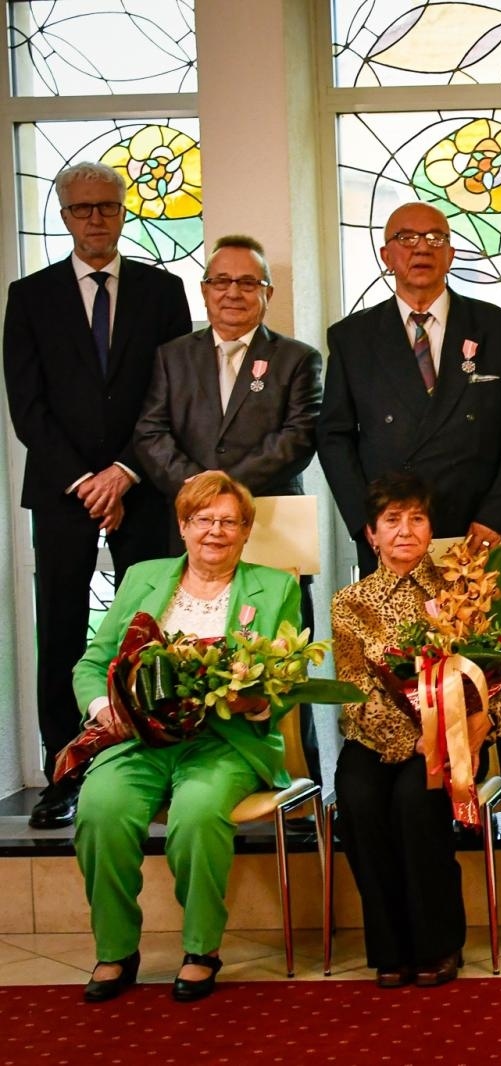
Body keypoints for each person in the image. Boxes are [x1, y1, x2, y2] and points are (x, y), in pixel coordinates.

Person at [3, 160, 191, 829]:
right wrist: (85, 481)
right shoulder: (29, 297)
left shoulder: (163, 291)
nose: (96, 219)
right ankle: (66, 770)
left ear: (123, 211)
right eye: (83, 209)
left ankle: (154, 761)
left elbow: (172, 394)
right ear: (64, 217)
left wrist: (124, 471)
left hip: (141, 486)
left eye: (107, 207)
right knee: (60, 629)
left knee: (149, 631)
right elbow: (27, 407)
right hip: (62, 493)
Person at [72, 473, 301, 1003]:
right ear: (183, 526)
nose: (215, 532)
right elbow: (92, 663)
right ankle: (116, 949)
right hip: (138, 739)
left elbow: (287, 681)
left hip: (224, 739)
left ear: (246, 532)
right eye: (204, 520)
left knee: (196, 814)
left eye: (229, 522)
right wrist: (108, 708)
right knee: (100, 811)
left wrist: (258, 699)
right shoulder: (143, 578)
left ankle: (201, 949)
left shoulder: (276, 588)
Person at [134, 233, 325, 780]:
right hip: (192, 536)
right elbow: (150, 433)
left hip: (271, 531)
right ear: (205, 290)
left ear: (266, 292)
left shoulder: (296, 359)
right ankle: (188, 774)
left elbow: (298, 438)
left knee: (281, 663)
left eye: (247, 282)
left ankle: (295, 777)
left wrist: (221, 493)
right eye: (222, 281)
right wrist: (200, 496)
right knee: (187, 661)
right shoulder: (173, 357)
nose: (233, 292)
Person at [330, 472, 501, 988]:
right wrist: (403, 739)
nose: (405, 530)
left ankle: (438, 944)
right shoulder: (350, 602)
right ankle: (391, 948)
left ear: (432, 529)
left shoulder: (464, 588)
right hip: (376, 737)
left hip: (453, 736)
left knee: (417, 801)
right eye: (392, 520)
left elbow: (491, 676)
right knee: (359, 799)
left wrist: (452, 732)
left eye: (417, 518)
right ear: (371, 533)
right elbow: (353, 690)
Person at [317, 200, 501, 575]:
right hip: (391, 537)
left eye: (435, 238)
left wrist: (498, 515)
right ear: (386, 255)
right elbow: (333, 435)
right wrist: (366, 522)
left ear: (451, 254)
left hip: (477, 532)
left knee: (479, 636)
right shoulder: (352, 338)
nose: (422, 247)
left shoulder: (500, 330)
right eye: (406, 238)